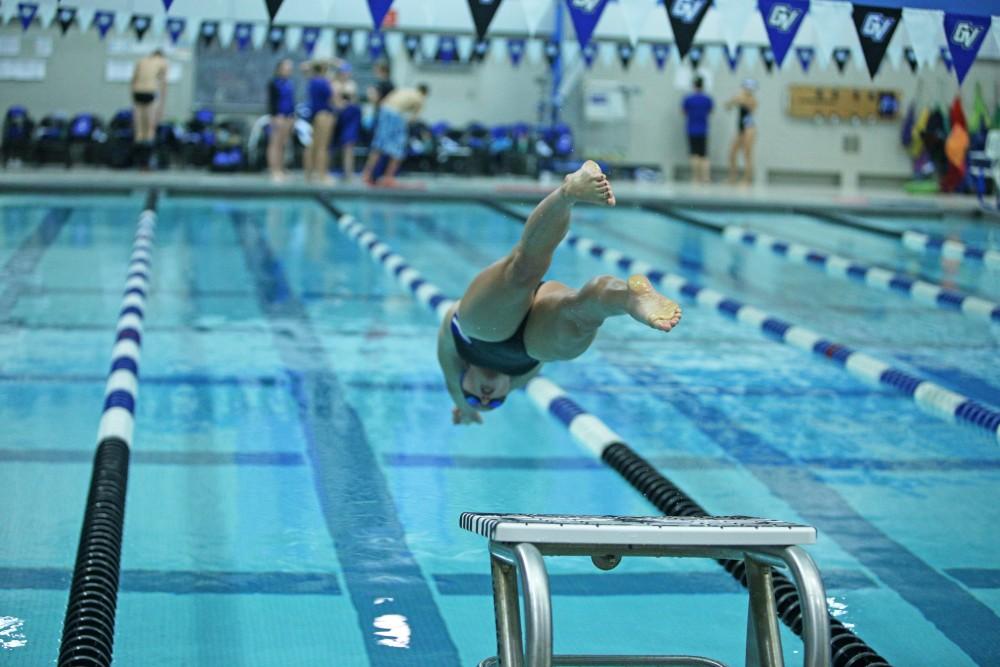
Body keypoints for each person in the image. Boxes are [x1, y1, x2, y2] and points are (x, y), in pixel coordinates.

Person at [436, 161, 682, 425]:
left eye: (474, 397)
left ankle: (568, 193)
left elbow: (453, 387)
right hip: (533, 342)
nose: (485, 398)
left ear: (463, 381)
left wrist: (464, 407)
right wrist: (470, 408)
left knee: (523, 268)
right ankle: (629, 298)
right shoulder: (521, 376)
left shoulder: (454, 357)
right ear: (507, 392)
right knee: (580, 315)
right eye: (495, 402)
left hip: (480, 328)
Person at [360, 84, 429, 186]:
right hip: (395, 114)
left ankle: (366, 174)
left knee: (379, 146)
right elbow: (413, 119)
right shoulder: (420, 98)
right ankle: (389, 177)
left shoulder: (406, 90)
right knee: (399, 147)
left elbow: (385, 101)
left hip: (384, 110)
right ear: (425, 93)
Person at [130, 49, 168, 168]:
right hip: (149, 92)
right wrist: (161, 107)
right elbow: (163, 84)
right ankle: (146, 162)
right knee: (150, 128)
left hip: (137, 93)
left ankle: (137, 161)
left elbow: (132, 80)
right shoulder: (162, 62)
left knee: (139, 129)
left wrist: (133, 98)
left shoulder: (141, 61)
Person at [303, 60, 335, 183]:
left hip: (315, 114)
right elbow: (332, 99)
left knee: (313, 145)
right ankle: (322, 174)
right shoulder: (323, 82)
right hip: (324, 115)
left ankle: (309, 173)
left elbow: (305, 66)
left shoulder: (311, 80)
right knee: (323, 146)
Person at [266, 58, 295, 182]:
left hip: (288, 116)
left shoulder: (289, 83)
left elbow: (291, 101)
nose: (288, 71)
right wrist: (274, 116)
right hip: (278, 116)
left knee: (283, 144)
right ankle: (273, 169)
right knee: (275, 144)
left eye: (290, 69)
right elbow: (272, 102)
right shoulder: (273, 83)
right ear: (279, 69)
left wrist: (293, 116)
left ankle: (281, 168)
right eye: (286, 68)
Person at [332, 61, 361, 180]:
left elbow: (353, 100)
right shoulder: (334, 84)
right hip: (337, 117)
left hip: (350, 118)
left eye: (347, 72)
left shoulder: (352, 84)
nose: (345, 75)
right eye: (343, 72)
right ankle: (326, 171)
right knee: (331, 146)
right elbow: (335, 102)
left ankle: (348, 173)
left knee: (348, 146)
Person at [725, 79, 758, 185]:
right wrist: (733, 101)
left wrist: (739, 98)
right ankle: (733, 177)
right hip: (740, 128)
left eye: (747, 89)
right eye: (744, 88)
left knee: (747, 154)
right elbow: (727, 106)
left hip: (749, 128)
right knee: (732, 153)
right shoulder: (740, 98)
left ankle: (747, 179)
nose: (745, 90)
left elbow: (750, 107)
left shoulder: (753, 100)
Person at [682, 76, 713, 184]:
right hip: (703, 129)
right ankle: (706, 177)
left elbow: (684, 112)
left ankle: (696, 178)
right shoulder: (707, 99)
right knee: (704, 155)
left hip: (691, 129)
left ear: (694, 85)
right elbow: (710, 112)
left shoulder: (688, 99)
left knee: (694, 154)